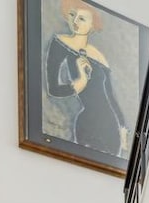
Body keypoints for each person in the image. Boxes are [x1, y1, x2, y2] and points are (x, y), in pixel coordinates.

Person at [46, 1, 129, 157]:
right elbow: (53, 89)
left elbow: (110, 97)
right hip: (87, 122)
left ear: (92, 25)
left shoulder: (98, 55)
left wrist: (123, 128)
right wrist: (80, 82)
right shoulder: (59, 43)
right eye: (73, 15)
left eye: (82, 18)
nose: (75, 21)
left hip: (111, 127)